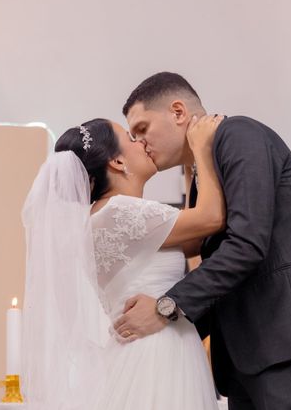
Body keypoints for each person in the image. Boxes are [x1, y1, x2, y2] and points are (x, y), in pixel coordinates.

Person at [114, 72, 291, 410]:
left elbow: (247, 244)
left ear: (178, 112)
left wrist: (166, 308)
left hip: (286, 338)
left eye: (143, 129)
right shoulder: (202, 169)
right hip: (249, 350)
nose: (141, 143)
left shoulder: (238, 135)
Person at [20, 114, 226, 410]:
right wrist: (203, 151)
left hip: (148, 346)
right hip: (156, 352)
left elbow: (193, 242)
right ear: (116, 162)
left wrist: (189, 169)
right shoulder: (119, 212)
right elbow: (212, 218)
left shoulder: (107, 216)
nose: (141, 141)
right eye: (130, 139)